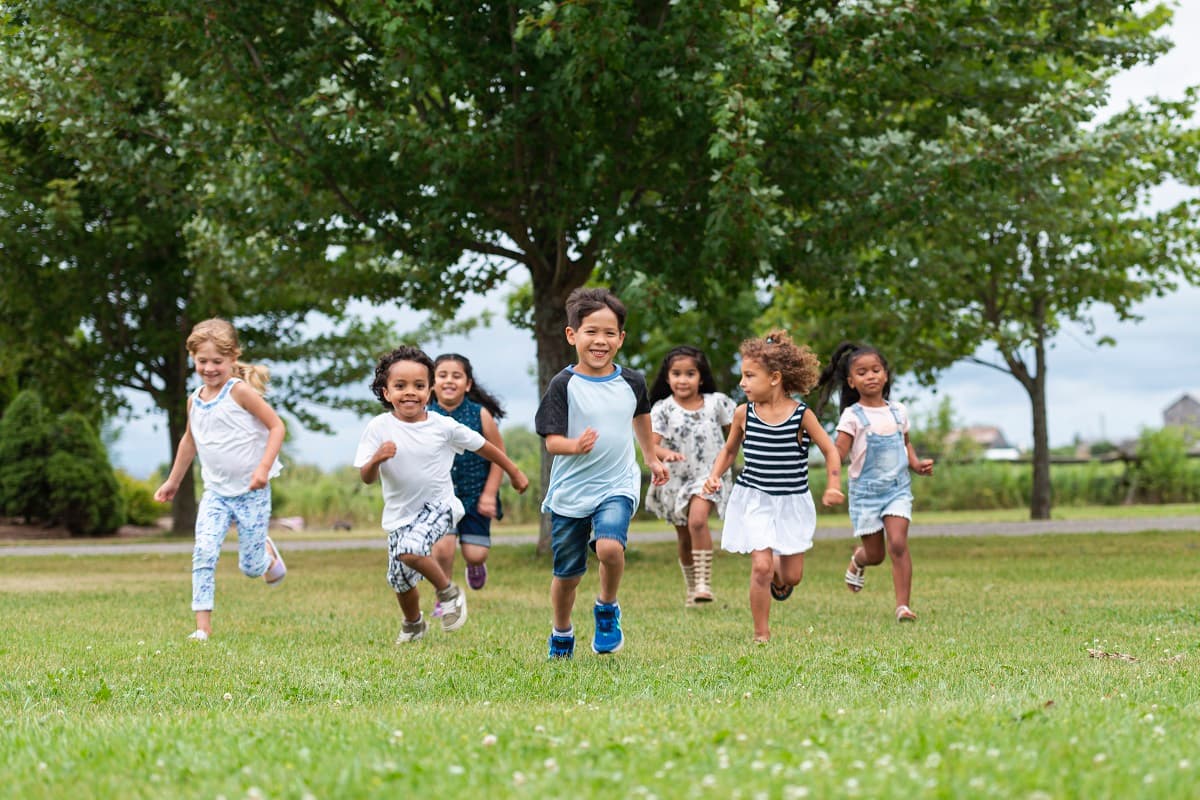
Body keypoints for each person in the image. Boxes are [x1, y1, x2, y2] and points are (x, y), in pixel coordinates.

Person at [354, 345, 529, 645]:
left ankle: (448, 592)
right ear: (386, 392)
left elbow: (485, 446)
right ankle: (413, 624)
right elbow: (367, 477)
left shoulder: (443, 426)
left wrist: (514, 472)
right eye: (400, 386)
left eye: (419, 386)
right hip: (399, 515)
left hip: (440, 506)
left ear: (430, 390)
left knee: (411, 549)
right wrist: (376, 460)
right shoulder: (378, 427)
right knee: (399, 578)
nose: (410, 392)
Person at [535, 287, 669, 659]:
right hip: (571, 492)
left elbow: (641, 417)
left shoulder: (632, 381)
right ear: (572, 335)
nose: (600, 340)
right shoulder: (564, 385)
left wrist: (651, 458)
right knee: (568, 575)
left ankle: (606, 608)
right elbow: (551, 442)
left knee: (610, 547)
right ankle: (562, 631)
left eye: (609, 333)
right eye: (591, 331)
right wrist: (574, 445)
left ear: (621, 339)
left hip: (617, 483)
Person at [704, 330, 843, 644]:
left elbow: (831, 450)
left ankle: (781, 579)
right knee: (762, 567)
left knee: (791, 575)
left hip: (792, 501)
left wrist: (834, 484)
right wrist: (715, 476)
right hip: (755, 498)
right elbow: (728, 451)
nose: (743, 383)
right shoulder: (744, 414)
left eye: (750, 376)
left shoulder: (801, 415)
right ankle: (761, 634)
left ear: (775, 377)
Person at [154, 318, 288, 643]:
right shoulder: (194, 400)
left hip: (251, 492)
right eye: (203, 361)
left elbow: (277, 427)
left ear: (232, 358)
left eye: (217, 361)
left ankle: (267, 554)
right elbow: (189, 441)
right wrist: (173, 482)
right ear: (193, 359)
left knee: (252, 568)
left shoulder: (239, 392)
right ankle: (203, 627)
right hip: (215, 493)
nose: (210, 368)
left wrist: (263, 469)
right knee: (203, 551)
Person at [816, 341, 934, 623]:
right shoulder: (852, 416)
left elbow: (905, 443)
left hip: (897, 490)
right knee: (876, 554)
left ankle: (902, 606)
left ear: (885, 375)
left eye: (876, 370)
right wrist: (833, 484)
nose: (870, 376)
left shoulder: (898, 411)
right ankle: (859, 559)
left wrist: (916, 464)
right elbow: (837, 453)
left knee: (897, 543)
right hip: (865, 494)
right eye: (862, 372)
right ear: (851, 381)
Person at [645, 346, 736, 607]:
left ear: (701, 377)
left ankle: (704, 584)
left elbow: (736, 434)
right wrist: (666, 455)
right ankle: (692, 589)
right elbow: (651, 446)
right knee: (684, 535)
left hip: (709, 474)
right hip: (675, 479)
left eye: (690, 373)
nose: (683, 380)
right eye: (676, 374)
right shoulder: (663, 409)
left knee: (697, 521)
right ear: (667, 378)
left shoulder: (717, 403)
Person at [428, 353, 511, 604]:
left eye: (456, 376)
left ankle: (475, 565)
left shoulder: (480, 414)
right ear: (432, 382)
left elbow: (498, 456)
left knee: (475, 554)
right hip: (439, 497)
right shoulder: (425, 415)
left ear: (468, 384)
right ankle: (445, 599)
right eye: (442, 375)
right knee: (442, 549)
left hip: (476, 494)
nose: (449, 381)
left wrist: (489, 494)